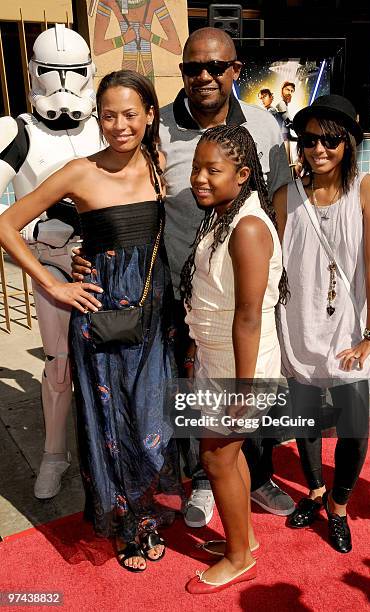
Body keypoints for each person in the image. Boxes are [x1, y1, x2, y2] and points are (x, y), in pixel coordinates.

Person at [72, 27, 294, 528]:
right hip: (175, 293)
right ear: (183, 73)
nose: (205, 76)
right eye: (193, 67)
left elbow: (279, 205)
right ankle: (202, 481)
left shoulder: (264, 128)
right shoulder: (158, 131)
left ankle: (257, 476)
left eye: (216, 67)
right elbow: (107, 191)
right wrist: (77, 252)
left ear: (235, 70)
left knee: (246, 389)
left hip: (243, 295)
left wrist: (275, 276)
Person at [0, 69, 182, 572]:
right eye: (108, 115)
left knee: (151, 417)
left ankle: (145, 509)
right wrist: (55, 282)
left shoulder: (157, 161)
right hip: (100, 314)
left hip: (153, 313)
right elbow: (6, 224)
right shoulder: (78, 171)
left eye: (130, 114)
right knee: (110, 420)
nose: (119, 125)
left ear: (149, 114)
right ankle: (128, 523)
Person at [273, 94, 370, 553]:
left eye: (331, 139)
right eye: (309, 139)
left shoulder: (368, 189)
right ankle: (316, 492)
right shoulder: (286, 197)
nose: (318, 148)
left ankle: (339, 507)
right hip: (298, 324)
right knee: (305, 419)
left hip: (349, 331)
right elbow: (274, 266)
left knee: (354, 427)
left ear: (349, 142)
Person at [0, 25, 103, 500]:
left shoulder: (109, 124)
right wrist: (28, 227)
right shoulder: (16, 132)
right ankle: (55, 454)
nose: (62, 84)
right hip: (50, 264)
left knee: (113, 361)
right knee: (58, 365)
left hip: (105, 260)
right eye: (51, 73)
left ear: (90, 73)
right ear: (33, 73)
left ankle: (108, 446)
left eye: (74, 73)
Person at [182, 124, 286, 593]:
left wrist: (244, 391)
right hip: (219, 359)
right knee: (230, 457)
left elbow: (248, 316)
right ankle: (241, 540)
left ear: (243, 174)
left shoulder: (246, 227)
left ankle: (239, 556)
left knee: (217, 458)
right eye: (196, 167)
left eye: (213, 169)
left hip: (241, 368)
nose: (200, 177)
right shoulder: (225, 214)